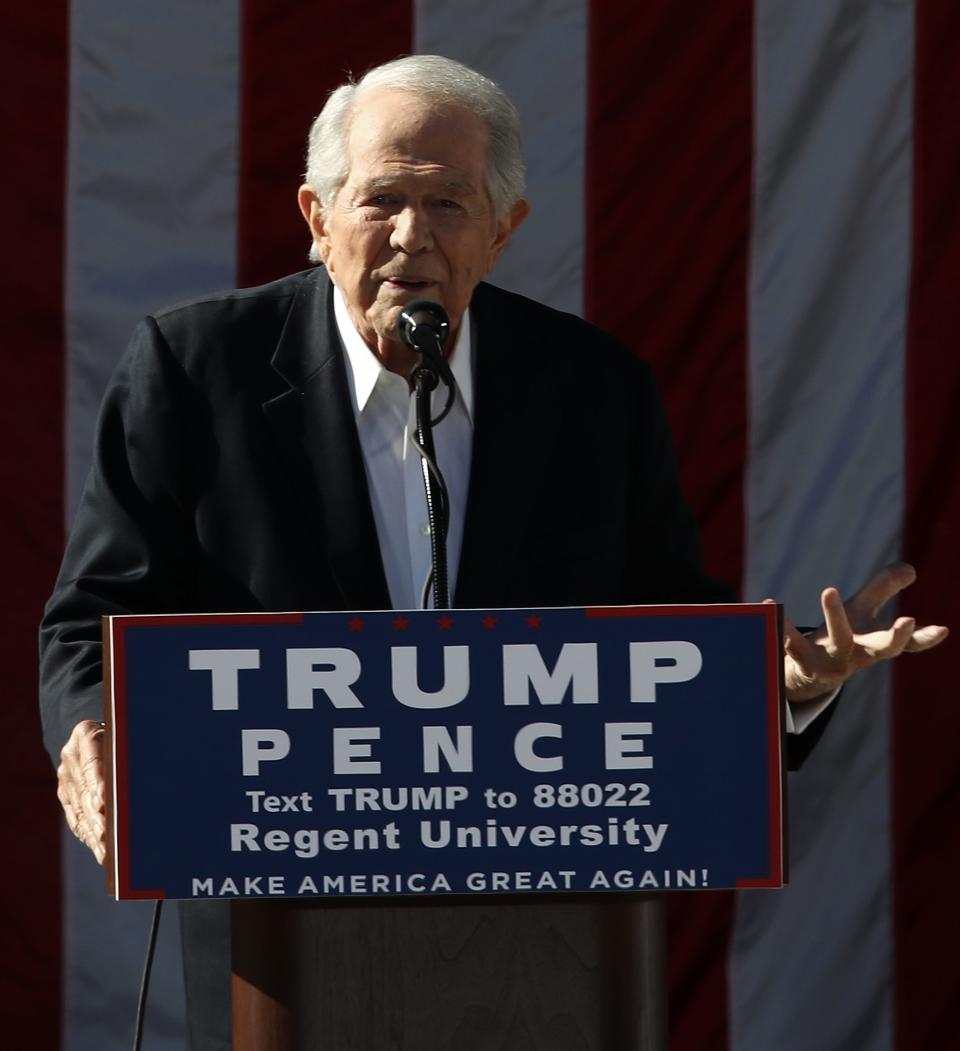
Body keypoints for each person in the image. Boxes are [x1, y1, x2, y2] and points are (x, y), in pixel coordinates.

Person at [41, 54, 948, 1050]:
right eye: (380, 198)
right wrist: (96, 736)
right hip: (281, 929)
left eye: (448, 204)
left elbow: (663, 635)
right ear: (316, 215)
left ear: (504, 229)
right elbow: (91, 621)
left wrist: (773, 686)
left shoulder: (594, 391)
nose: (409, 236)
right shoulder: (191, 371)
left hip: (542, 937)